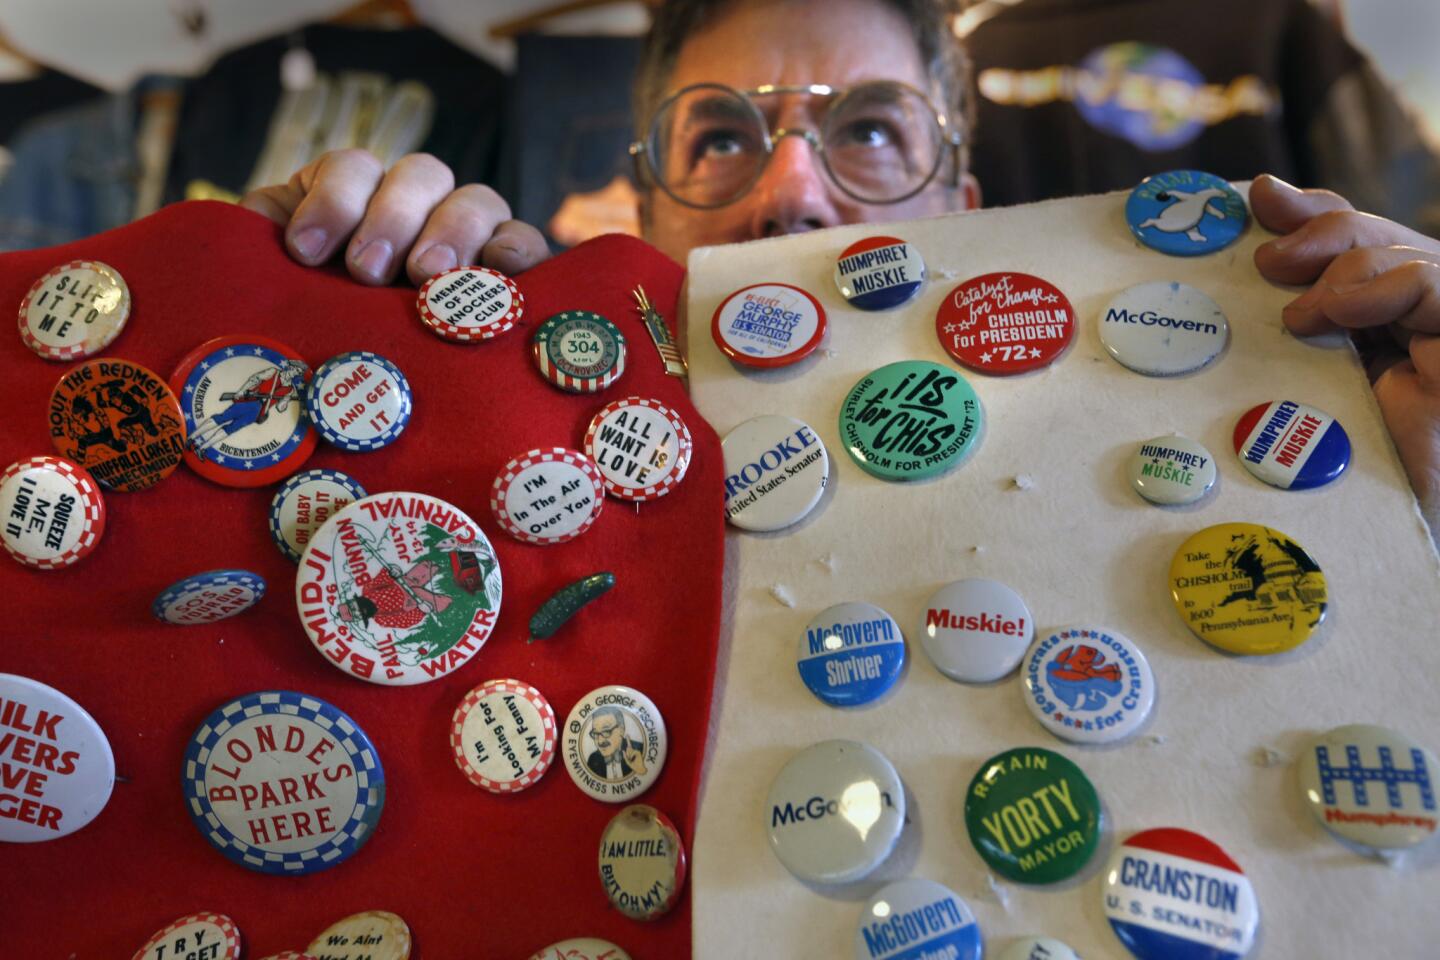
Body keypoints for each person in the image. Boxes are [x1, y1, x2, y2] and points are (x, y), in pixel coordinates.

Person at [240, 0, 1440, 537]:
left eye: (869, 129)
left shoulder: (1156, 458)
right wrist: (307, 330)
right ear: (651, 222)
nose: (795, 192)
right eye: (719, 138)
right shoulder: (543, 465)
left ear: (966, 211)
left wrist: (1413, 494)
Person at [585, 705, 648, 782]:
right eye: (595, 733)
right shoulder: (593, 759)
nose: (600, 741)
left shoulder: (639, 751)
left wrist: (641, 770)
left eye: (606, 731)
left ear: (621, 730)